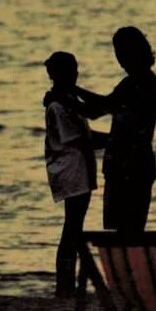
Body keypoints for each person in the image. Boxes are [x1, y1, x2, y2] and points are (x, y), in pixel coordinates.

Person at [76, 27, 156, 233]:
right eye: (117, 53)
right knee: (123, 233)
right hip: (123, 165)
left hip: (132, 167)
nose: (120, 59)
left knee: (126, 234)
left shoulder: (140, 83)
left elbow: (99, 108)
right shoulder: (134, 82)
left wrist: (71, 89)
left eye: (123, 52)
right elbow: (97, 110)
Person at [43, 51, 96, 297]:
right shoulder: (58, 106)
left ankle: (66, 285)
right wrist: (117, 139)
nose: (76, 74)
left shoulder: (66, 100)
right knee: (72, 227)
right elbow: (82, 139)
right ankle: (65, 286)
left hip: (76, 169)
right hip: (72, 171)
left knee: (73, 226)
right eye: (71, 70)